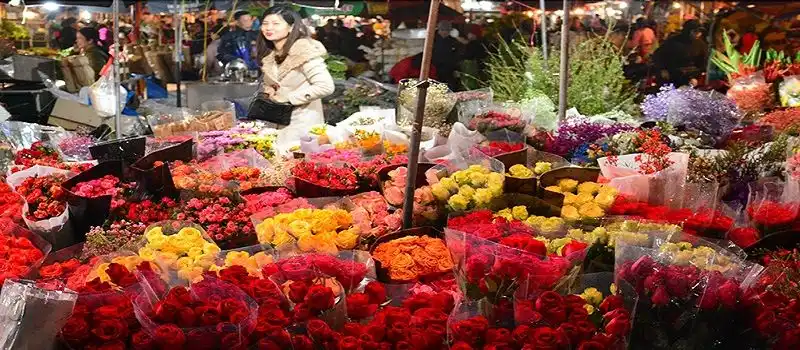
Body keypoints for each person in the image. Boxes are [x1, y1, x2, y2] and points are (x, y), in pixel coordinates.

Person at [256, 5, 334, 133]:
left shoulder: (303, 51)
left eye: (276, 23)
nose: (269, 28)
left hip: (302, 123)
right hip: (276, 121)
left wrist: (288, 98)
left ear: (291, 27)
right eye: (265, 23)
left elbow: (325, 86)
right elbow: (277, 82)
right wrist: (270, 89)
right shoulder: (270, 54)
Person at [652, 20, 707, 87]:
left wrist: (695, 77)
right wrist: (662, 69)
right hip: (671, 77)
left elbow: (702, 63)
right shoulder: (673, 42)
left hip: (689, 79)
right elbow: (658, 55)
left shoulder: (700, 45)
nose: (698, 34)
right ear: (688, 31)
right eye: (695, 32)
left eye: (700, 32)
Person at [432, 20, 461, 89]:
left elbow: (456, 55)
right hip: (435, 69)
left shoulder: (453, 41)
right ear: (439, 30)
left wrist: (456, 68)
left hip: (449, 70)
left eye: (447, 31)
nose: (444, 32)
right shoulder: (433, 39)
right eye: (442, 30)